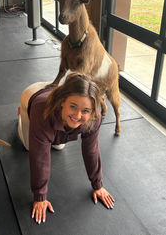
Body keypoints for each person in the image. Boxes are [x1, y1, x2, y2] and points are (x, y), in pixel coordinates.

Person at [18, 72, 115, 224]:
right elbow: (39, 158)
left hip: (58, 99)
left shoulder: (94, 118)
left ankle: (52, 131)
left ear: (91, 111)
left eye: (85, 111)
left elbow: (91, 150)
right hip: (33, 95)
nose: (78, 115)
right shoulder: (41, 111)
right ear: (63, 101)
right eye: (73, 107)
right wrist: (40, 196)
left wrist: (98, 185)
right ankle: (20, 114)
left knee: (57, 146)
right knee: (29, 147)